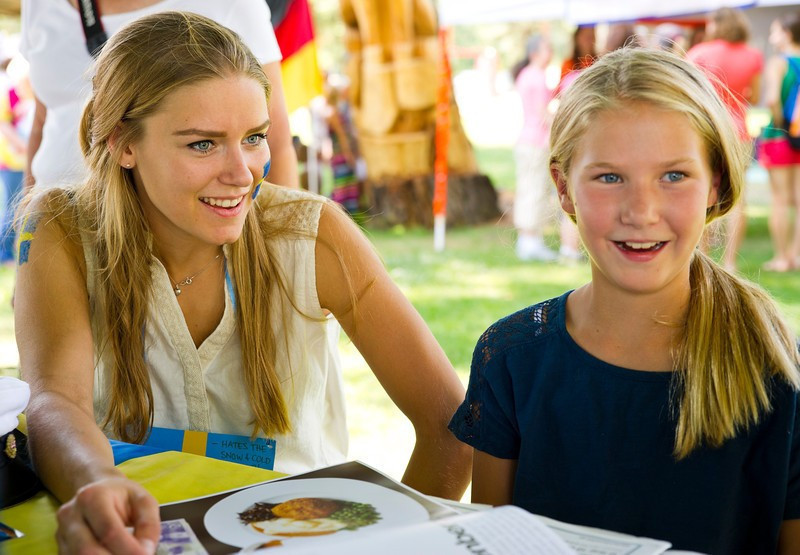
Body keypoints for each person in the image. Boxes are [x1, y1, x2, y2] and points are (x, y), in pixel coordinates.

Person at [15, 12, 471, 554]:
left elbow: (451, 426)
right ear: (123, 143)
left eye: (254, 137)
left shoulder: (311, 233)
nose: (242, 172)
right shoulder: (61, 231)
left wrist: (388, 545)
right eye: (203, 144)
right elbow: (53, 402)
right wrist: (98, 485)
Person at [449, 47, 800, 553]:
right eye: (610, 177)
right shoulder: (510, 359)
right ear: (564, 187)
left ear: (714, 183)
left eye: (674, 175)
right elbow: (489, 541)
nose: (641, 210)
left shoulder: (779, 371)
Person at [20, 0, 298, 190]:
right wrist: (28, 222)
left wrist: (282, 244)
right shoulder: (38, 5)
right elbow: (42, 123)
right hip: (56, 222)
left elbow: (274, 137)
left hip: (181, 233)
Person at [687, 7, 763, 271]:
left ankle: (705, 258)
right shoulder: (753, 55)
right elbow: (754, 97)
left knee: (705, 191)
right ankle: (730, 262)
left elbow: (689, 93)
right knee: (738, 197)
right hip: (739, 130)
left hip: (707, 128)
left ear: (717, 24)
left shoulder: (699, 53)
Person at [757, 13, 800, 272]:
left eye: (774, 31)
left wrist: (779, 123)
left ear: (787, 33)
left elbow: (772, 98)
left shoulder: (778, 63)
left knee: (780, 199)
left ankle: (781, 258)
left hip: (779, 136)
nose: (772, 36)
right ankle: (796, 255)